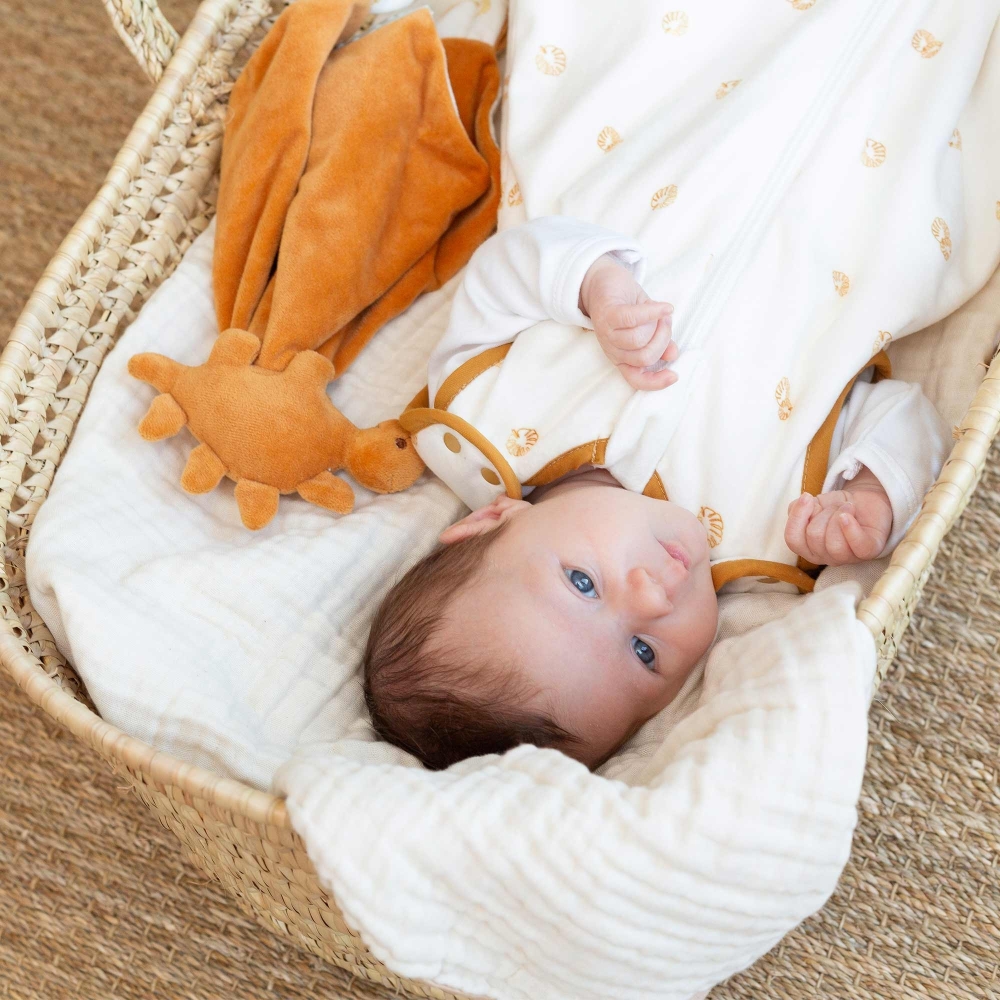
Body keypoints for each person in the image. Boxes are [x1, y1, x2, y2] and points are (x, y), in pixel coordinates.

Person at [363, 217, 950, 771]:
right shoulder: (774, 536)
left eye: (583, 584)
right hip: (864, 223)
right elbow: (910, 413)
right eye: (644, 653)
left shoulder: (483, 415)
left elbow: (501, 273)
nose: (651, 600)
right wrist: (873, 494)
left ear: (490, 520)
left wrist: (596, 282)